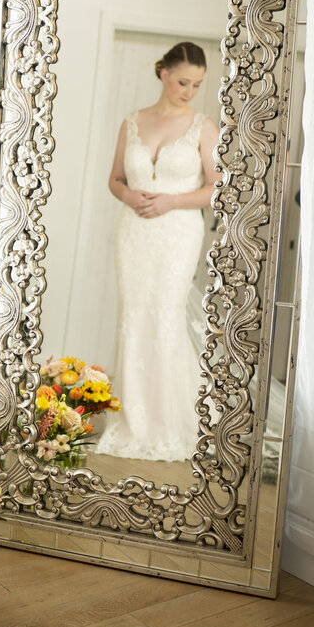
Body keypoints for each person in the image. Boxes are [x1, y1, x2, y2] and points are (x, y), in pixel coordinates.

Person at [92, 41, 217, 462]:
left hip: (178, 232)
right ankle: (132, 422)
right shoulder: (133, 121)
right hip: (134, 232)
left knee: (164, 314)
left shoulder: (204, 125)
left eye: (197, 84)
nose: (189, 91)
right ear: (164, 74)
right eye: (183, 81)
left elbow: (216, 187)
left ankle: (166, 425)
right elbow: (114, 179)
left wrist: (170, 201)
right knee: (134, 316)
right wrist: (129, 197)